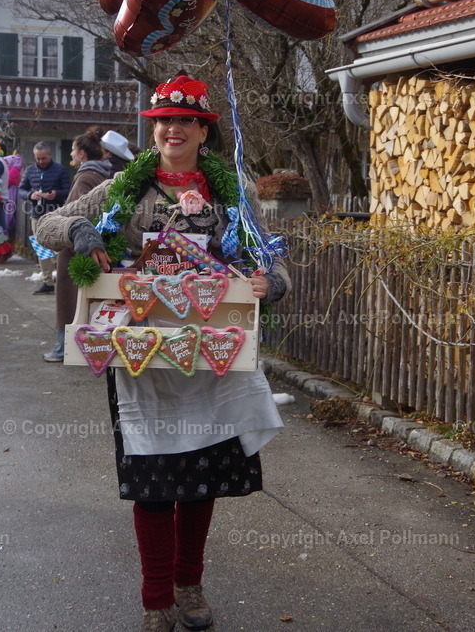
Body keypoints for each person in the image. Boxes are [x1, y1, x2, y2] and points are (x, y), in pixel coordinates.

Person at [36, 74, 290, 632]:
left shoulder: (229, 190)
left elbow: (265, 253)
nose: (172, 130)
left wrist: (273, 280)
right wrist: (82, 229)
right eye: (162, 122)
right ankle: (156, 600)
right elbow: (46, 223)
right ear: (154, 132)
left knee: (201, 477)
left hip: (212, 350)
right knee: (153, 481)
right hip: (143, 351)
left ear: (203, 130)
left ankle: (189, 585)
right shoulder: (127, 184)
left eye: (184, 121)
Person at [43, 128, 113, 362]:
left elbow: (75, 214)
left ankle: (65, 347)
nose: (71, 155)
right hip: (92, 246)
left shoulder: (86, 176)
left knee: (69, 300)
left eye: (73, 150)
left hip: (77, 249)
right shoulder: (101, 173)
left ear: (82, 153)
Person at [19, 142, 70, 294]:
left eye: (44, 158)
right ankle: (47, 282)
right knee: (41, 249)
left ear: (50, 156)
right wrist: (30, 195)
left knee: (59, 247)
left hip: (56, 214)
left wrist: (57, 194)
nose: (41, 161)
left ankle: (62, 281)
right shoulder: (30, 170)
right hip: (36, 214)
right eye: (38, 158)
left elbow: (69, 190)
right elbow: (21, 190)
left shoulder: (60, 170)